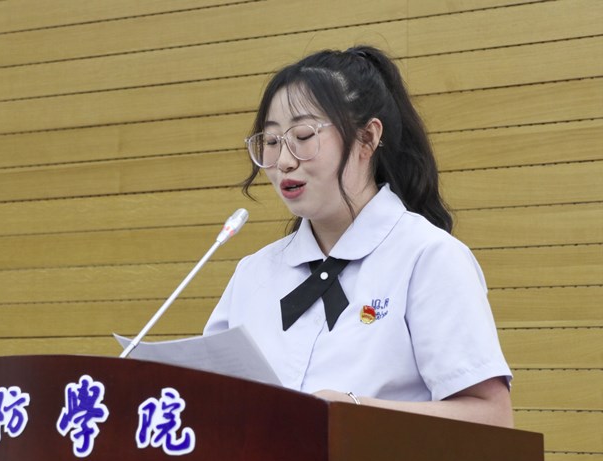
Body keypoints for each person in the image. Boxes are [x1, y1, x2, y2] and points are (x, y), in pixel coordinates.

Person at [203, 46, 513, 427]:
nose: (283, 161)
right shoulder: (252, 274)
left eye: (303, 135)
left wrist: (354, 411)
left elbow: (492, 419)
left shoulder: (428, 257)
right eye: (270, 142)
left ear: (367, 138)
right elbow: (203, 400)